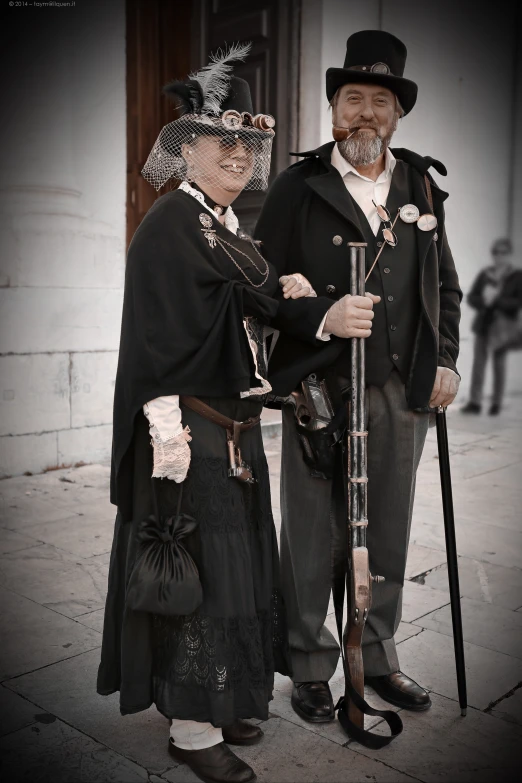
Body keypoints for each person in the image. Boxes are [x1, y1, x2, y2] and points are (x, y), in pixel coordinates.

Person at [96, 44, 327, 783]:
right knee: (198, 571)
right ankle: (192, 728)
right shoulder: (174, 223)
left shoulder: (226, 229)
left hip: (235, 426)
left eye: (246, 145)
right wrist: (165, 430)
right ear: (187, 151)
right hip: (189, 429)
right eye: (220, 142)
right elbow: (168, 330)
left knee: (240, 568)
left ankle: (226, 698)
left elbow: (251, 300)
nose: (237, 154)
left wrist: (283, 292)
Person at [255, 30, 462, 721]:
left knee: (390, 533)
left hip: (401, 392)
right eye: (353, 99)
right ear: (333, 110)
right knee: (313, 534)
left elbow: (447, 287)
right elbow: (256, 291)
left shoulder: (420, 184)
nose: (366, 113)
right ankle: (311, 664)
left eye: (380, 100)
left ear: (397, 114)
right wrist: (322, 313)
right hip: (320, 390)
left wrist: (447, 358)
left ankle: (376, 656)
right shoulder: (297, 185)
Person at [462, 238, 522, 415]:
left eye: (503, 252)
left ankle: (496, 403)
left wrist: (497, 300)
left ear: (509, 254)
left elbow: (518, 302)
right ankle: (475, 402)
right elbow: (472, 297)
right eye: (496, 252)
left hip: (502, 327)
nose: (499, 256)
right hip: (484, 324)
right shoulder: (485, 273)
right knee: (478, 364)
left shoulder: (516, 276)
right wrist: (484, 301)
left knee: (499, 364)